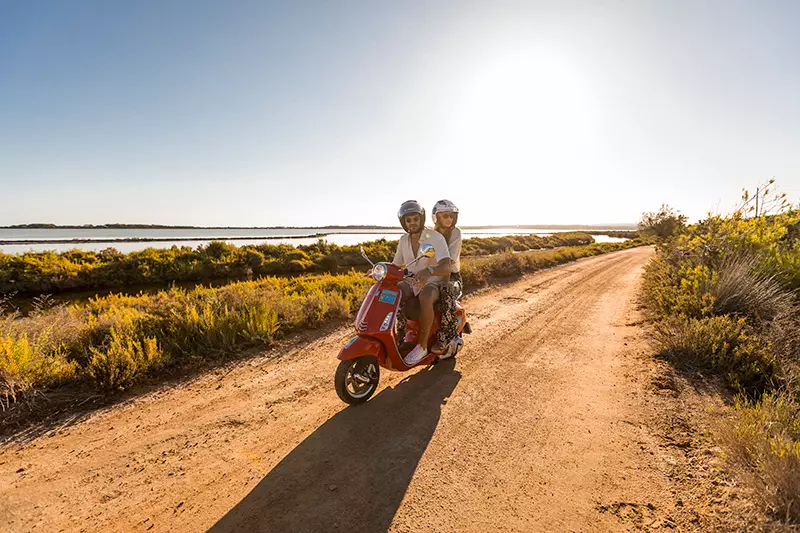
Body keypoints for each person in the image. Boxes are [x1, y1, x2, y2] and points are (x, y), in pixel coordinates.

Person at [392, 200, 451, 366]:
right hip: (412, 281)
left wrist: (429, 271)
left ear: (421, 219)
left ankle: (422, 345)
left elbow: (446, 265)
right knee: (393, 291)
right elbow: (396, 265)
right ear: (403, 222)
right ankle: (400, 332)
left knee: (425, 297)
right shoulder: (403, 240)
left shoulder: (434, 237)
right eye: (408, 220)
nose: (412, 223)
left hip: (434, 281)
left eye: (415, 219)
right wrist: (378, 270)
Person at [430, 199, 462, 355]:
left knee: (446, 292)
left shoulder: (456, 233)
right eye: (445, 216)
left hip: (453, 276)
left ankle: (444, 338)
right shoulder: (430, 234)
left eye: (451, 216)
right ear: (436, 217)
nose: (449, 219)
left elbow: (450, 259)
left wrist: (444, 280)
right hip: (433, 274)